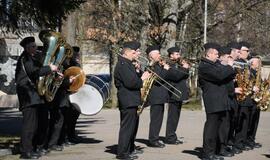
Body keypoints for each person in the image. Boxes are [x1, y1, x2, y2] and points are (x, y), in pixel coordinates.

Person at [15, 36, 58, 159]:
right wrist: (49, 68)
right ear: (27, 48)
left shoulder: (33, 58)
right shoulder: (25, 59)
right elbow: (34, 72)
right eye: (33, 46)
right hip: (27, 96)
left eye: (35, 46)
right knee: (30, 125)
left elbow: (41, 72)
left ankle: (35, 147)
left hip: (36, 96)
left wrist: (54, 74)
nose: (36, 48)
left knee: (40, 123)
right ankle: (25, 152)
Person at [114, 41, 151, 160]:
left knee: (131, 127)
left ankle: (129, 149)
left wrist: (137, 71)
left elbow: (132, 78)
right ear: (128, 52)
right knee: (127, 128)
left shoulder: (128, 63)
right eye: (135, 52)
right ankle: (122, 153)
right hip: (127, 100)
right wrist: (142, 78)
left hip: (131, 100)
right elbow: (131, 83)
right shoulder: (123, 64)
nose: (137, 55)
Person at [198, 42, 235, 160]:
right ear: (208, 54)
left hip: (220, 101)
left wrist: (228, 68)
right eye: (216, 54)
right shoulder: (204, 66)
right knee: (211, 128)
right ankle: (207, 153)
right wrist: (229, 66)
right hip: (213, 101)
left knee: (218, 129)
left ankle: (214, 151)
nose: (218, 56)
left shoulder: (214, 65)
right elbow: (219, 76)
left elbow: (226, 76)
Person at [146, 45, 174, 148]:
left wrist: (165, 67)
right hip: (155, 96)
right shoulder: (151, 66)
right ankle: (153, 140)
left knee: (159, 119)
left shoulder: (158, 65)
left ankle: (155, 138)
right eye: (157, 53)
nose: (159, 55)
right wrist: (165, 69)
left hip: (161, 96)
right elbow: (158, 80)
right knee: (156, 119)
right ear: (151, 56)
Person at [165, 46, 190, 145]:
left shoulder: (177, 64)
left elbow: (185, 75)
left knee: (176, 117)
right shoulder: (169, 64)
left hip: (179, 93)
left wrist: (185, 68)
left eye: (179, 54)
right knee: (172, 117)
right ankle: (170, 137)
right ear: (171, 55)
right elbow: (176, 76)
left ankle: (172, 136)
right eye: (177, 54)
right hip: (173, 93)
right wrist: (184, 69)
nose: (179, 56)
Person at [234, 41, 256, 151]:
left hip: (247, 95)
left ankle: (242, 142)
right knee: (239, 122)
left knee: (245, 121)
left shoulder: (246, 63)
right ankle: (237, 143)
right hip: (240, 96)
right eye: (246, 50)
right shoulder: (238, 63)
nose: (248, 52)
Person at [247, 57, 262, 148]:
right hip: (250, 99)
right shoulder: (249, 72)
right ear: (252, 63)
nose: (259, 64)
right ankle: (247, 139)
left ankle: (252, 138)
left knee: (255, 121)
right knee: (250, 121)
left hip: (257, 99)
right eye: (258, 62)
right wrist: (253, 88)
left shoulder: (257, 73)